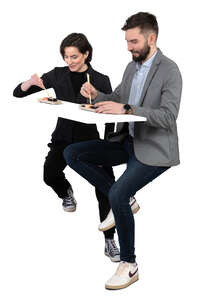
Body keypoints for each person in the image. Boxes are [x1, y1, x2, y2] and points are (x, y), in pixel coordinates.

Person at [63, 13, 182, 290]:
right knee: (72, 153)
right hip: (126, 142)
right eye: (127, 41)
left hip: (155, 149)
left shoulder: (170, 70)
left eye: (134, 41)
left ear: (151, 38)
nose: (129, 47)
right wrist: (97, 94)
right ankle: (126, 201)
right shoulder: (132, 67)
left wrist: (127, 109)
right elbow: (117, 98)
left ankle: (129, 264)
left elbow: (168, 116)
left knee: (116, 192)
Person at [13, 33, 128, 262]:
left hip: (90, 140)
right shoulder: (57, 74)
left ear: (86, 54)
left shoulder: (100, 79)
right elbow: (18, 93)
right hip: (63, 137)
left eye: (74, 56)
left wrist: (108, 144)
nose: (70, 61)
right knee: (49, 174)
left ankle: (109, 240)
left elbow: (110, 112)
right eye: (66, 56)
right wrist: (29, 83)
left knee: (106, 188)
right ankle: (66, 192)